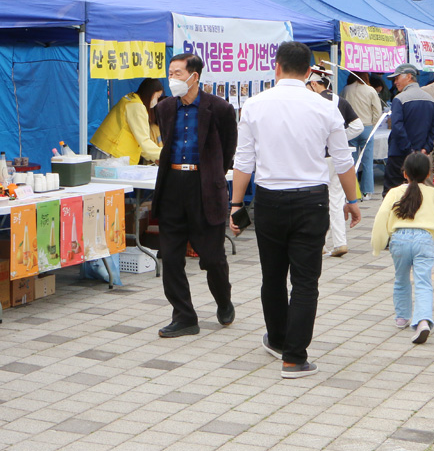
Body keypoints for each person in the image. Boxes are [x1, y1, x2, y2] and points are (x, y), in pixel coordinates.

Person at [229, 42, 362, 378]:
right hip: (311, 200)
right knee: (305, 280)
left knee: (272, 277)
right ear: (308, 72)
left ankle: (276, 339)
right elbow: (343, 160)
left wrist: (235, 204)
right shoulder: (325, 107)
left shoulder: (254, 105)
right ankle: (294, 357)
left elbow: (244, 161)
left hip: (269, 199)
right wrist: (352, 199)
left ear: (276, 67)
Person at [150, 54, 238, 338]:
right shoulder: (164, 108)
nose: (172, 79)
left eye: (177, 73)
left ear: (194, 77)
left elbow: (227, 150)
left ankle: (223, 300)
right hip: (172, 184)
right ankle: (184, 316)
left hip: (204, 186)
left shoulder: (220, 109)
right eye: (170, 73)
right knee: (171, 256)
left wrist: (211, 174)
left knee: (212, 257)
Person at [370, 152, 434, 345]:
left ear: (404, 173)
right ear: (428, 174)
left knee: (401, 278)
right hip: (424, 239)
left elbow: (381, 216)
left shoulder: (395, 192)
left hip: (399, 239)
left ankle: (402, 317)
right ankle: (423, 320)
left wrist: (378, 244)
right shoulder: (432, 193)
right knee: (423, 282)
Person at [305, 66, 362, 257]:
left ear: (313, 84)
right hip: (337, 158)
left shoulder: (310, 102)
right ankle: (339, 242)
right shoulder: (340, 100)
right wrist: (340, 139)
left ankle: (321, 242)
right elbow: (358, 126)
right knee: (336, 200)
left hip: (317, 158)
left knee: (317, 201)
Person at [383, 64, 434, 194]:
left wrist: (408, 149)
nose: (395, 82)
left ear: (409, 77)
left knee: (392, 192)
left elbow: (397, 127)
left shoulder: (399, 98)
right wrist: (426, 148)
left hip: (399, 155)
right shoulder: (430, 99)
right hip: (421, 155)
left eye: (397, 78)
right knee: (418, 190)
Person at [90, 78, 164, 165]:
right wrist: (164, 155)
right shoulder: (136, 106)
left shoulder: (130, 99)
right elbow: (144, 141)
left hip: (107, 150)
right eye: (157, 97)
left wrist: (153, 157)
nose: (156, 101)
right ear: (150, 93)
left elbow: (141, 144)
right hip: (110, 154)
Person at [342, 71, 383, 197]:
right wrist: (373, 125)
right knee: (367, 162)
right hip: (367, 127)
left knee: (351, 162)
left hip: (351, 128)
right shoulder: (370, 90)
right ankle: (367, 192)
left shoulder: (345, 90)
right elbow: (377, 111)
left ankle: (352, 191)